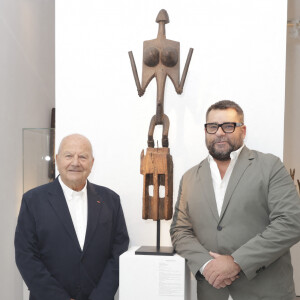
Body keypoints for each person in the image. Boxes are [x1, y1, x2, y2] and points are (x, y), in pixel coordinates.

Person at [170, 100, 300, 300]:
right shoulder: (189, 177)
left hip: (265, 292)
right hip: (212, 292)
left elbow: (291, 222)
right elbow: (180, 231)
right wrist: (207, 266)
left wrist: (237, 261)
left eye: (228, 126)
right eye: (212, 127)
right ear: (206, 131)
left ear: (243, 130)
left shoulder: (270, 166)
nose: (220, 132)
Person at [15, 134, 129, 300]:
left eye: (83, 157)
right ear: (57, 159)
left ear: (92, 163)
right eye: (69, 156)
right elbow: (26, 256)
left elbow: (119, 252)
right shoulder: (33, 201)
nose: (75, 162)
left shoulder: (110, 200)